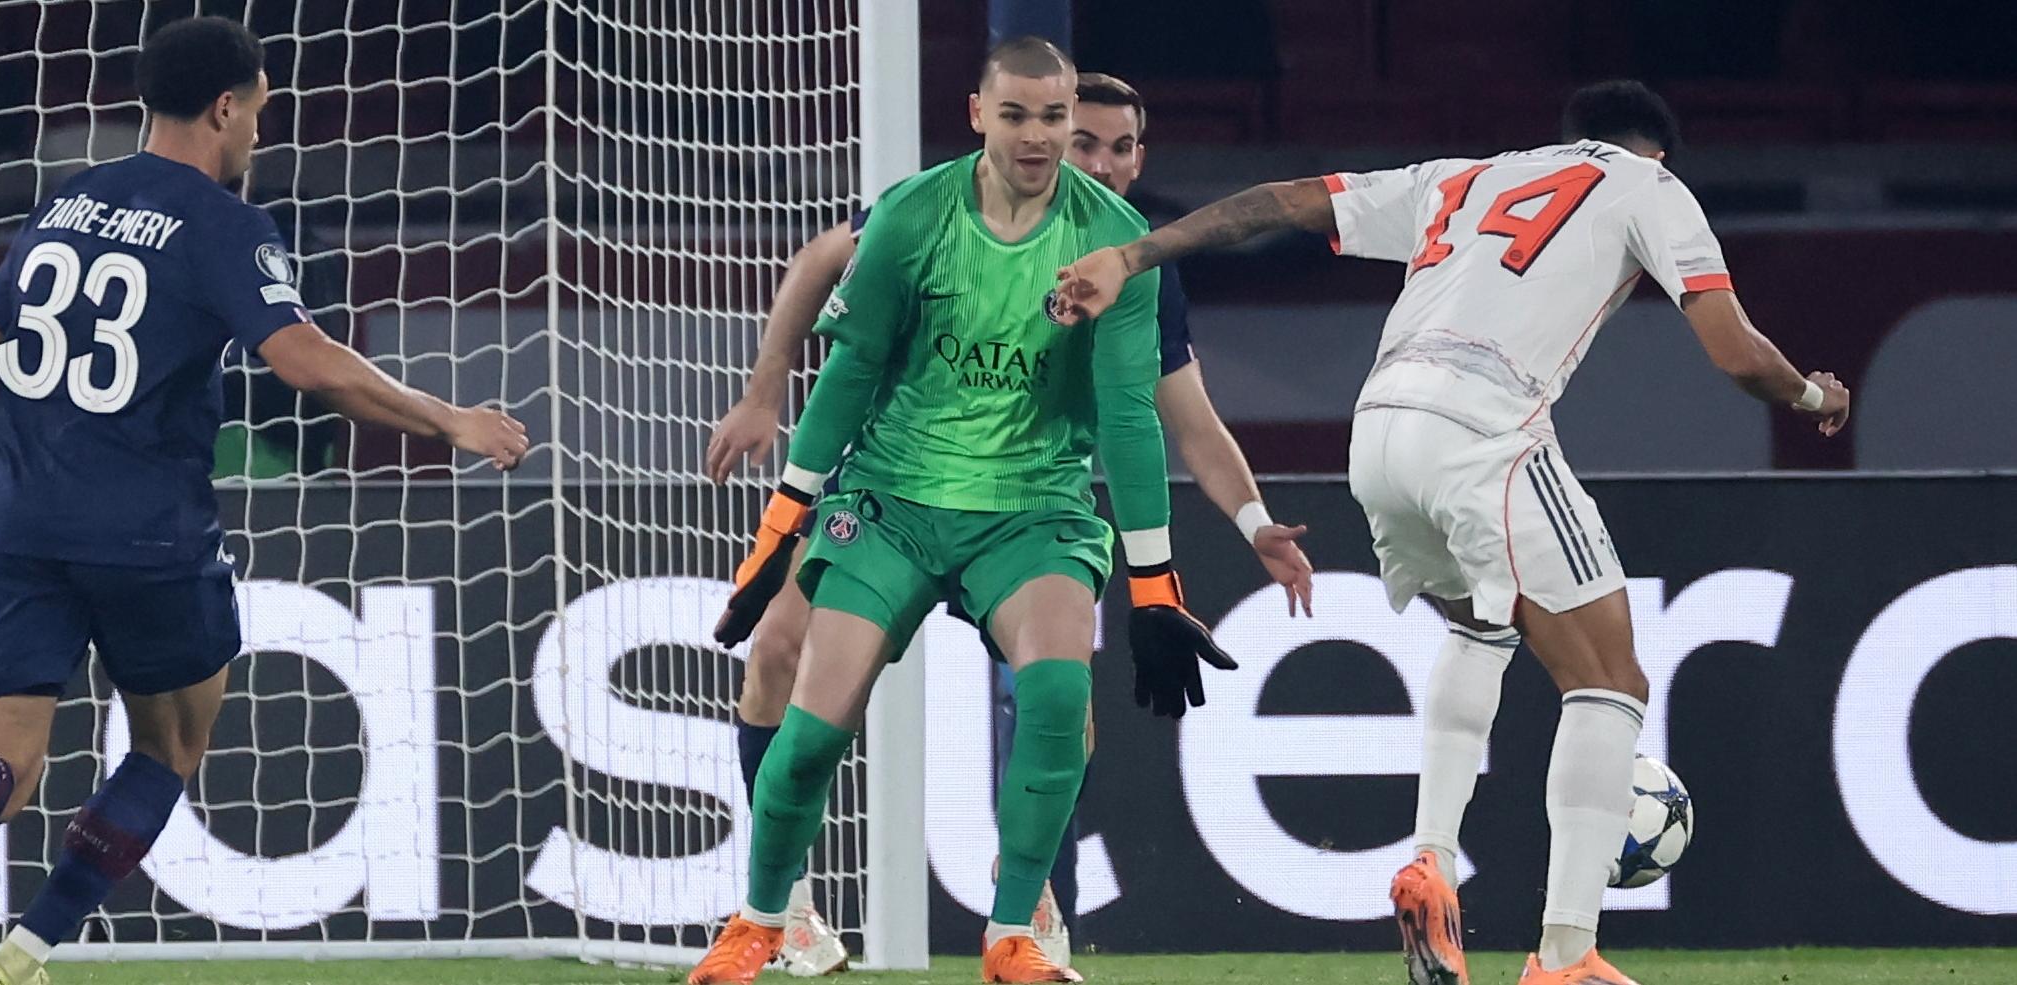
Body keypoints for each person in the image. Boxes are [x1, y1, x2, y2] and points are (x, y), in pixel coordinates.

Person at [1053, 80, 1850, 985]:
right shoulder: (1649, 186)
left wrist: (1135, 249)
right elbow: (1735, 350)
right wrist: (1816, 395)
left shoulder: (1463, 178)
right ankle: (1566, 954)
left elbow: (1275, 204)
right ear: (1653, 151)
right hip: (1486, 427)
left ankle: (1432, 856)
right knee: (1610, 678)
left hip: (1379, 430)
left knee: (1484, 622)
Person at [0, 17, 528, 985]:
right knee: (169, 748)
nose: (256, 131)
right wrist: (445, 420)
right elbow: (302, 362)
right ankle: (25, 951)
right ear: (226, 105)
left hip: (18, 523)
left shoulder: (72, 199)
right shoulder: (223, 223)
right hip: (143, 534)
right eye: (256, 111)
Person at [701, 68, 1312, 975]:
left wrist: (1246, 522)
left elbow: (1182, 418)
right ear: (998, 123)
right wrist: (764, 390)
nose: (1093, 158)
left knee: (1065, 699)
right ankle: (780, 904)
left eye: (1114, 143)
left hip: (1029, 510)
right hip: (892, 494)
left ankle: (1026, 901)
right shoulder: (927, 213)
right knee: (781, 656)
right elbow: (820, 266)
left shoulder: (1133, 260)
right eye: (1075, 137)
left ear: (1139, 159)